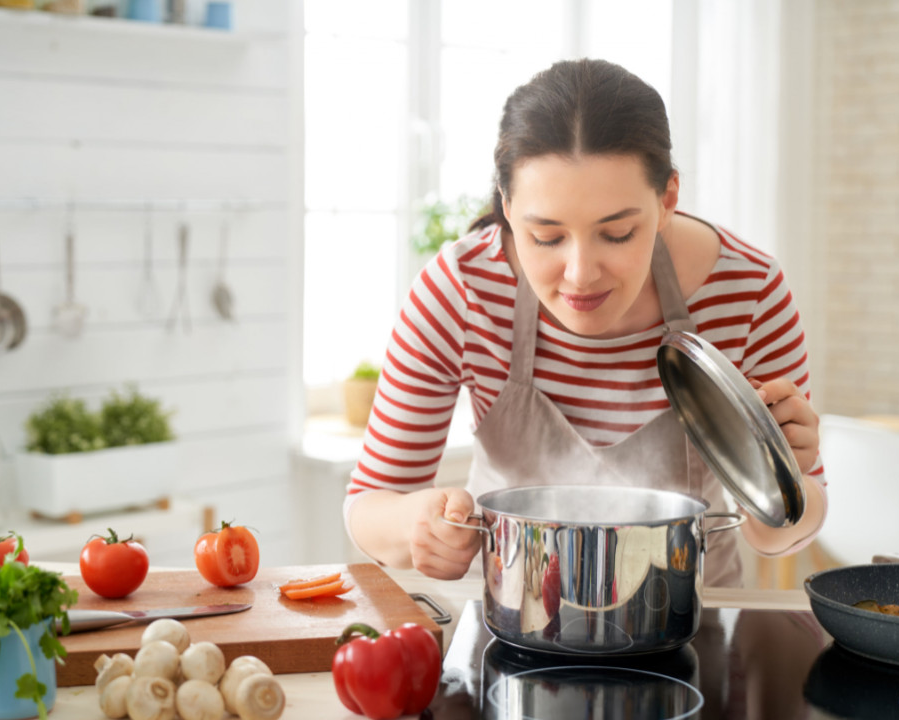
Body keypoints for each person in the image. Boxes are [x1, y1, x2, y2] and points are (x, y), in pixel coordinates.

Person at [343, 58, 826, 587]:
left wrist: (786, 476)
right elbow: (369, 503)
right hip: (509, 620)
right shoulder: (462, 290)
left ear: (666, 200)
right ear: (507, 206)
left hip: (694, 628)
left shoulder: (746, 291)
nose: (579, 276)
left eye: (616, 233)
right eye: (546, 237)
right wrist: (419, 526)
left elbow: (779, 536)